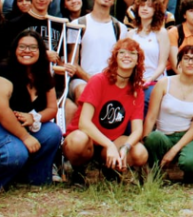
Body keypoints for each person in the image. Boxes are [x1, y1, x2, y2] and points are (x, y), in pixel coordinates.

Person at [0, 30, 62, 193]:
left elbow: (52, 108)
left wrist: (34, 117)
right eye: (22, 46)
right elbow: (0, 110)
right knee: (15, 151)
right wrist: (25, 137)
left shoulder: (43, 73)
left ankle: (31, 178)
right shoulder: (3, 71)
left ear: (40, 51)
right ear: (14, 49)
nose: (27, 51)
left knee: (52, 132)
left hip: (19, 121)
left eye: (33, 47)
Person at [62, 39, 149, 183]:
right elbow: (84, 123)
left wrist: (125, 148)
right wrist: (108, 145)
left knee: (139, 153)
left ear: (138, 61)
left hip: (112, 140)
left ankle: (110, 168)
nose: (127, 56)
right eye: (122, 52)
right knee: (78, 140)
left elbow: (137, 130)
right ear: (115, 58)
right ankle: (78, 169)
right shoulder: (98, 81)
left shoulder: (136, 90)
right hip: (86, 139)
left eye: (132, 53)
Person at [142, 45, 193, 181]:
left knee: (192, 165)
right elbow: (151, 117)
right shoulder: (163, 83)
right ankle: (156, 170)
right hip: (164, 136)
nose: (190, 62)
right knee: (153, 138)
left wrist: (174, 151)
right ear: (179, 62)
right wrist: (144, 146)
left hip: (187, 136)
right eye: (186, 58)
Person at [126, 0, 170, 109]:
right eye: (142, 5)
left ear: (155, 11)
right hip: (133, 81)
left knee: (143, 101)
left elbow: (162, 64)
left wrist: (149, 79)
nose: (145, 8)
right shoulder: (130, 34)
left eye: (149, 6)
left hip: (154, 81)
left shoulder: (161, 33)